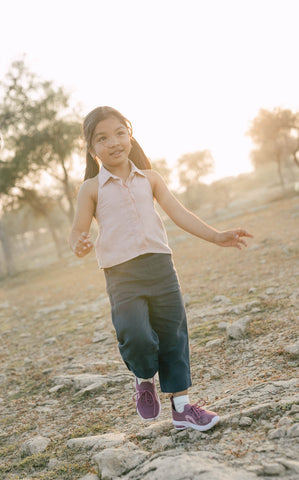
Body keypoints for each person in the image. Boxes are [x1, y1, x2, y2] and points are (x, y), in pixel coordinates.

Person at [69, 106, 253, 432]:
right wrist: (79, 244)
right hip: (122, 275)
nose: (114, 142)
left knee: (173, 334)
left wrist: (216, 236)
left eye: (120, 133)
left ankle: (182, 408)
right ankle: (143, 378)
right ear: (90, 147)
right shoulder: (91, 189)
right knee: (136, 335)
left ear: (130, 135)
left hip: (161, 267)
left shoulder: (150, 179)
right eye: (102, 138)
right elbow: (78, 231)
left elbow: (179, 213)